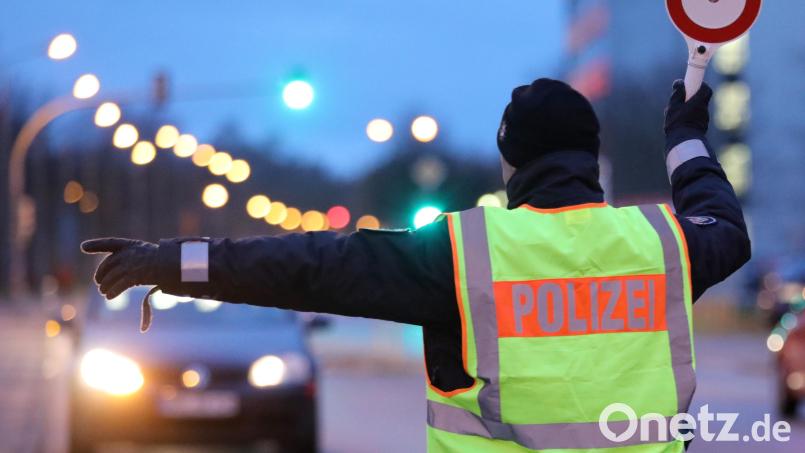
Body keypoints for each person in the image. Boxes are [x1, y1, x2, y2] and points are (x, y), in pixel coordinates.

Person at [82, 78, 750, 452]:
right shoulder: (661, 245)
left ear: (510, 162)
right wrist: (685, 137)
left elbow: (307, 264)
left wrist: (172, 261)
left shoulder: (463, 254)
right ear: (588, 156)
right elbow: (725, 226)